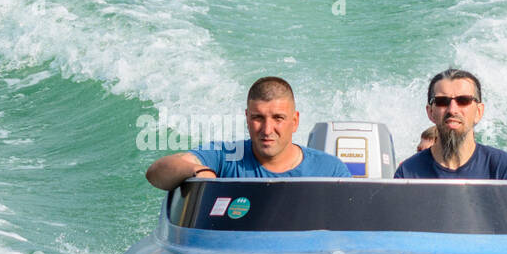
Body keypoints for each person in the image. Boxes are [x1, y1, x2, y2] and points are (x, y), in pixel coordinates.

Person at [145, 76, 352, 189]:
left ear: (294, 121)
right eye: (258, 118)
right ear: (247, 118)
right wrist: (199, 172)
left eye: (278, 118)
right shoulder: (225, 156)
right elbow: (156, 173)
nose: (267, 129)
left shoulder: (329, 171)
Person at [394, 68, 507, 180]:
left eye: (463, 100)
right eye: (442, 101)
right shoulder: (407, 173)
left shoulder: (506, 169)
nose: (452, 109)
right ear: (430, 112)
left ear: (479, 111)